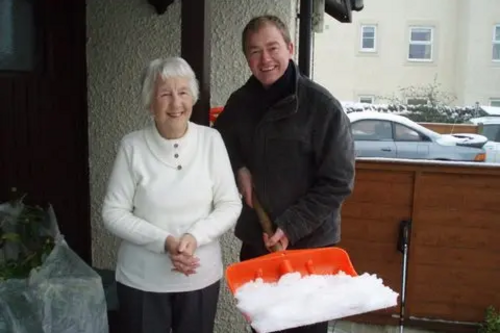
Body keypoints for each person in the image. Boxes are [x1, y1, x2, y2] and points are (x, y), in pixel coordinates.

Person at [213, 15, 355, 333]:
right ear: (247, 58)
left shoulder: (322, 108)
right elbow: (217, 145)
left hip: (309, 250)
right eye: (254, 51)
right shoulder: (240, 104)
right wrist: (239, 169)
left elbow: (338, 182)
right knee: (263, 328)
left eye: (272, 47)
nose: (265, 59)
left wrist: (290, 226)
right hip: (259, 245)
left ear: (289, 48)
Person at [101, 57, 242, 333]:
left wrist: (193, 238)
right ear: (149, 104)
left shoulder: (211, 141)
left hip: (199, 278)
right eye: (165, 94)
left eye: (183, 92)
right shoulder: (132, 146)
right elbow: (112, 212)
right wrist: (164, 241)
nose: (176, 104)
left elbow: (229, 203)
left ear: (193, 97)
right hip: (142, 280)